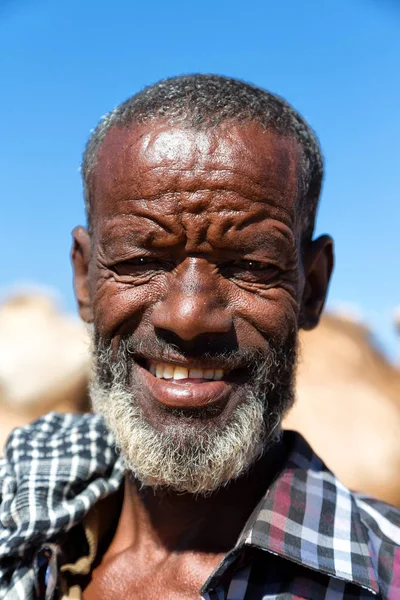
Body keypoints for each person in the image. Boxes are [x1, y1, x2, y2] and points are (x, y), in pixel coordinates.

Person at [0, 75, 399, 600]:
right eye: (140, 260)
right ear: (84, 281)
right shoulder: (25, 502)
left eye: (251, 265)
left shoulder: (380, 574)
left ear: (312, 288)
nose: (188, 318)